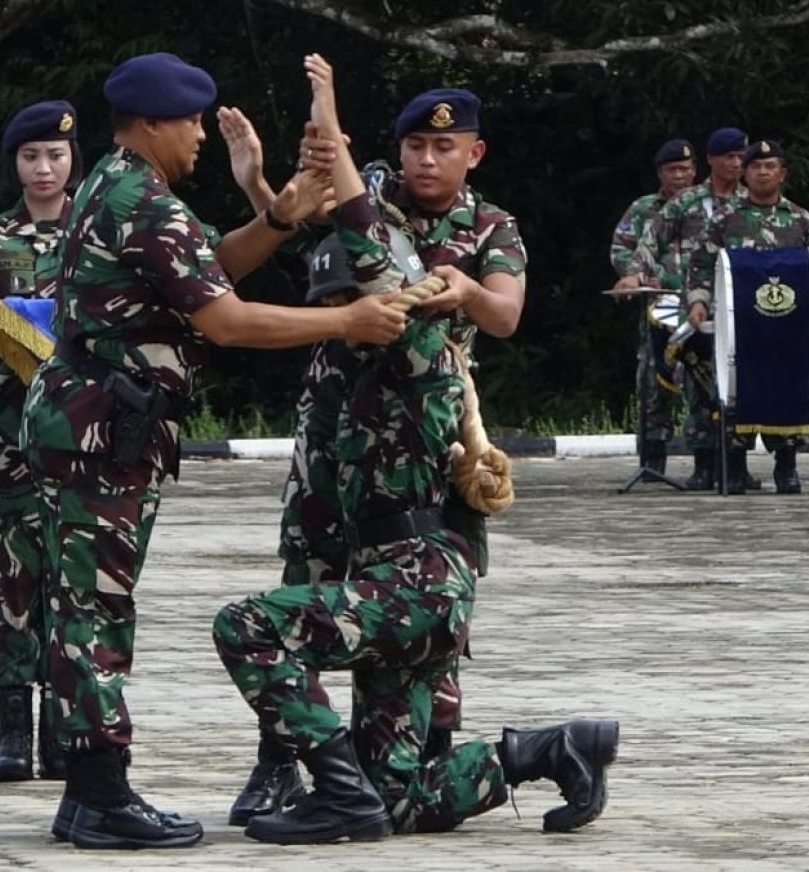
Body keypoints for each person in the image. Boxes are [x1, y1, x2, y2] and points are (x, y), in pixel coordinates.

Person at [213, 52, 617, 844]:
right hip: (345, 470)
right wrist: (260, 183)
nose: (427, 160)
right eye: (414, 147)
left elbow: (480, 301)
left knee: (295, 626)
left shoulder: (469, 259)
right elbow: (326, 232)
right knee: (385, 772)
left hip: (418, 500)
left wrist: (327, 104)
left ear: (474, 153)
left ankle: (374, 765)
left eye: (445, 147)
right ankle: (540, 751)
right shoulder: (369, 247)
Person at [19, 52, 407, 850]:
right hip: (100, 429)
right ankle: (99, 794)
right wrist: (348, 322)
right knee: (94, 609)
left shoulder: (126, 187)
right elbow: (225, 320)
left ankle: (89, 792)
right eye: (191, 121)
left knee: (86, 604)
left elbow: (210, 269)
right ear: (155, 124)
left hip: (94, 422)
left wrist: (279, 216)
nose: (200, 134)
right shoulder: (141, 202)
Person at [0, 100, 79, 784]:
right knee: (13, 578)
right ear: (15, 163)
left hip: (79, 432)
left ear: (72, 159)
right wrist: (8, 318)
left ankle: (63, 730)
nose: (43, 168)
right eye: (31, 156)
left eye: (55, 155)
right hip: (7, 431)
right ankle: (11, 731)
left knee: (71, 581)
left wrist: (33, 318)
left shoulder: (97, 233)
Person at [685, 139, 809, 494]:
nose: (763, 172)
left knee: (788, 385)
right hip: (741, 325)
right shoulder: (726, 219)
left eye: (771, 166)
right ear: (745, 173)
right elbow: (701, 264)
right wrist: (698, 301)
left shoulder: (800, 219)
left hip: (788, 323)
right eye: (756, 167)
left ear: (783, 173)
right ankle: (734, 466)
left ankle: (787, 466)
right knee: (736, 388)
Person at [637, 127, 751, 489]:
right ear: (713, 161)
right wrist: (653, 280)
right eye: (730, 157)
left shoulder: (753, 202)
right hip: (694, 305)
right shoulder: (686, 203)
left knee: (738, 382)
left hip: (739, 306)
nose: (737, 164)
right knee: (699, 382)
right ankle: (704, 462)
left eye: (741, 157)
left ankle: (737, 463)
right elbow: (647, 243)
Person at [610, 138, 697, 478]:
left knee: (702, 378)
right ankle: (652, 458)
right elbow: (621, 248)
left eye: (685, 169)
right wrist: (641, 276)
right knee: (653, 379)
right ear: (661, 173)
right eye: (673, 170)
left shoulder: (707, 206)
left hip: (700, 305)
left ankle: (707, 456)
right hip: (657, 306)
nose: (680, 176)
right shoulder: (644, 208)